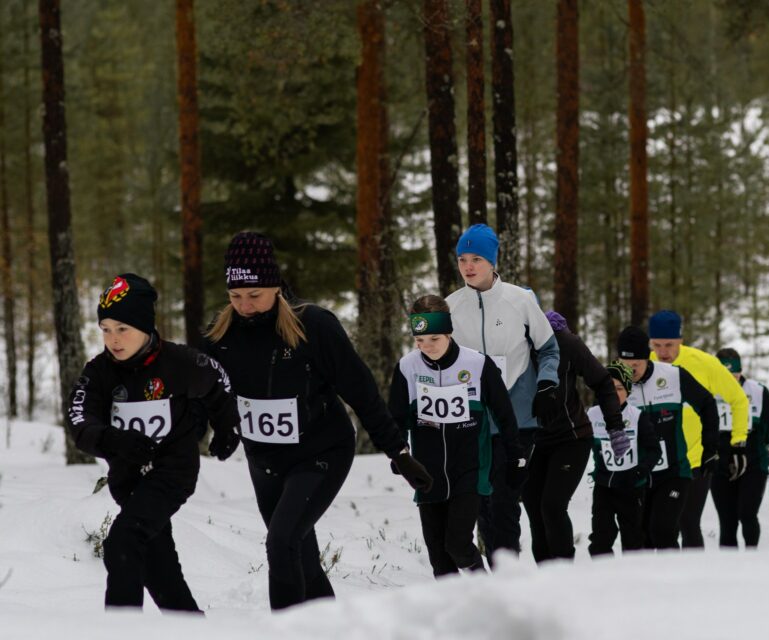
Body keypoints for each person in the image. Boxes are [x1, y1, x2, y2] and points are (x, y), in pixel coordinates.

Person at [205, 232, 431, 609]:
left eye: (254, 295)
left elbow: (361, 392)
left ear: (276, 287)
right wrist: (223, 425)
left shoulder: (314, 326)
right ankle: (331, 638)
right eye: (235, 296)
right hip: (265, 460)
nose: (244, 305)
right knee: (301, 558)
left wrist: (398, 452)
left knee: (281, 542)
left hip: (321, 452)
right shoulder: (219, 334)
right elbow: (208, 391)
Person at [67, 274, 240, 611]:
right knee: (159, 569)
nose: (114, 340)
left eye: (123, 329)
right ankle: (192, 634)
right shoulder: (99, 372)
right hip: (128, 480)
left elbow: (218, 383)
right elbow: (79, 420)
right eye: (106, 329)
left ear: (145, 327)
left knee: (122, 544)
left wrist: (226, 428)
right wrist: (112, 439)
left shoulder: (179, 362)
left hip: (172, 473)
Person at [446, 224, 560, 561]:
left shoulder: (519, 300)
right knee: (481, 503)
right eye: (462, 259)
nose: (468, 266)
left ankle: (508, 576)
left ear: (493, 262)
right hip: (473, 420)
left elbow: (549, 349)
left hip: (517, 419)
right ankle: (497, 576)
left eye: (476, 259)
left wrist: (547, 385)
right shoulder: (450, 307)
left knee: (505, 501)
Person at [388, 296, 522, 577]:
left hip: (470, 468)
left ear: (449, 333)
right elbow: (396, 419)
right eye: (420, 340)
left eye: (434, 339)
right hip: (428, 472)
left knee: (458, 545)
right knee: (439, 556)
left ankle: (488, 595)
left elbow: (504, 412)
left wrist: (514, 452)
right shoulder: (407, 368)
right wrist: (398, 453)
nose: (427, 347)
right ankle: (459, 613)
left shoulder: (477, 364)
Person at [524, 311, 628, 563]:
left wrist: (615, 427)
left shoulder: (565, 343)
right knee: (532, 504)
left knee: (551, 505)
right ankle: (545, 575)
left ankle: (565, 571)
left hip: (571, 437)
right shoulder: (510, 342)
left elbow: (602, 381)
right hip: (533, 438)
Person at [647, 310, 747, 549]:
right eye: (657, 345)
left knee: (688, 522)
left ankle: (695, 579)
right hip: (657, 461)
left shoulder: (704, 364)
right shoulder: (644, 364)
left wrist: (738, 441)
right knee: (656, 526)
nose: (663, 353)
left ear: (681, 340)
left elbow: (739, 400)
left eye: (669, 344)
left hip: (695, 459)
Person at [616, 325, 718, 549]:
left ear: (647, 357)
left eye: (636, 365)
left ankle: (672, 582)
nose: (631, 371)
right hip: (636, 474)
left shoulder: (673, 375)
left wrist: (710, 448)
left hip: (673, 472)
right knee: (637, 537)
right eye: (625, 365)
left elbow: (708, 404)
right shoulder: (612, 383)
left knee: (662, 530)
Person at [709, 349, 769, 549]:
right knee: (727, 522)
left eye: (734, 377)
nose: (729, 382)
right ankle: (729, 570)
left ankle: (752, 558)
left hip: (753, 464)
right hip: (720, 465)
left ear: (741, 372)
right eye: (723, 377)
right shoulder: (707, 390)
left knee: (747, 514)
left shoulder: (758, 392)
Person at [587, 361, 661, 556]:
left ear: (628, 391)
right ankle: (605, 580)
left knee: (633, 540)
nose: (614, 393)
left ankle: (634, 582)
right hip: (604, 486)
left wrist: (640, 471)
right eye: (609, 388)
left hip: (632, 487)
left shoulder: (637, 416)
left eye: (619, 388)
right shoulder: (592, 415)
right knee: (600, 540)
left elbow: (654, 450)